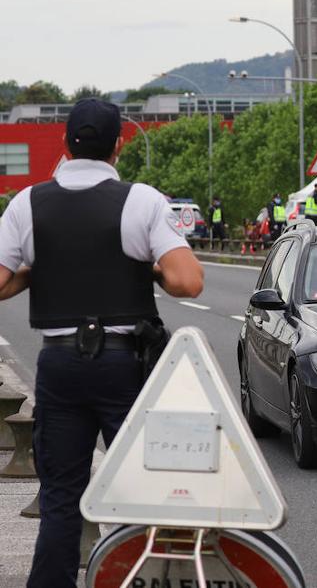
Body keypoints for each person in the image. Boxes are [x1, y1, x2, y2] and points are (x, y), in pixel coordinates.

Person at [0, 98, 204, 588]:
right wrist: (143, 267)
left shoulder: (27, 202)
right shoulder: (143, 201)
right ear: (118, 146)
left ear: (67, 145)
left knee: (60, 497)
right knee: (139, 491)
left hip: (60, 367)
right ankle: (139, 578)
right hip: (123, 366)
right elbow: (188, 283)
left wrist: (37, 271)